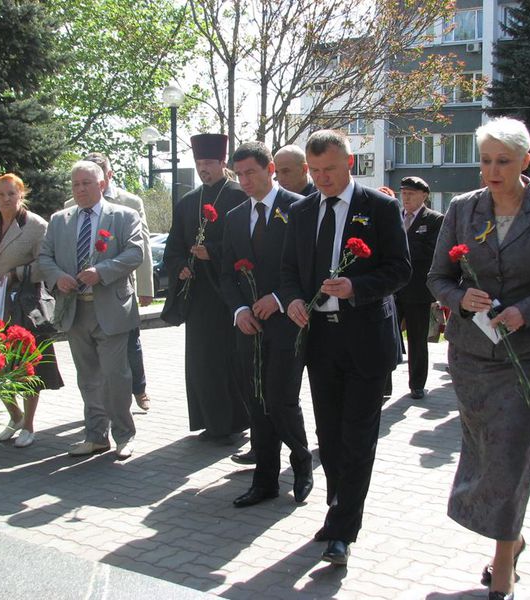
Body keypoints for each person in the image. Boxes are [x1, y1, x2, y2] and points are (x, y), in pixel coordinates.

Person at [427, 117, 530, 600]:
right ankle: (513, 539)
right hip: (473, 354)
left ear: (525, 162)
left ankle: (501, 567)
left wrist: (525, 311)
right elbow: (438, 277)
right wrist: (461, 299)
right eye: (486, 161)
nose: (492, 171)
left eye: (503, 161)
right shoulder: (462, 209)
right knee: (484, 450)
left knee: (513, 452)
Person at [280, 129, 411, 565]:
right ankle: (338, 507)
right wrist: (295, 297)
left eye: (329, 170)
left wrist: (356, 285)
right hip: (321, 339)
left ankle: (343, 529)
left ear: (349, 163)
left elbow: (400, 270)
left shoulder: (381, 207)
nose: (321, 179)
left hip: (366, 338)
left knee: (357, 438)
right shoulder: (301, 212)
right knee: (329, 436)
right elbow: (288, 269)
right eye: (314, 172)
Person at [220, 141, 312, 508]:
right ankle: (265, 481)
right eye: (238, 174)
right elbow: (226, 275)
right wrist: (239, 309)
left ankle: (302, 460)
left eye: (250, 173)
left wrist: (277, 298)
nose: (244, 181)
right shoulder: (234, 217)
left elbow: (310, 267)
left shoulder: (300, 209)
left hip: (288, 323)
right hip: (250, 327)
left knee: (280, 397)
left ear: (270, 168)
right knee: (257, 400)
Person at [38, 161, 144, 459]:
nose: (80, 189)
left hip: (111, 309)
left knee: (115, 375)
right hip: (75, 310)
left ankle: (124, 434)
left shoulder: (124, 216)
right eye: (75, 184)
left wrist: (103, 270)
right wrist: (58, 276)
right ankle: (95, 435)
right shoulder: (60, 220)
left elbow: (135, 252)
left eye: (86, 183)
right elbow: (45, 257)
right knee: (88, 377)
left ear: (101, 184)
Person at [162, 134, 250, 443]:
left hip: (230, 296)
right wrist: (180, 266)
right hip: (199, 296)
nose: (204, 169)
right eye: (199, 164)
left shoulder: (240, 196)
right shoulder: (188, 202)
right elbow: (172, 248)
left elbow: (247, 245)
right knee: (202, 362)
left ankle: (234, 422)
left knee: (230, 360)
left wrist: (212, 250)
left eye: (209, 163)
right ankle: (210, 422)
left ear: (223, 163)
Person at [0, 173, 64, 448]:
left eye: (11, 193)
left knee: (26, 365)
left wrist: (17, 273)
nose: (6, 199)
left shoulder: (36, 225)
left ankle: (29, 425)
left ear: (21, 195)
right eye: (1, 194)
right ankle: (14, 414)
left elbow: (47, 263)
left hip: (25, 304)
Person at [65, 152, 154, 412]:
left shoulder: (129, 202)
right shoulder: (71, 204)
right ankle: (101, 411)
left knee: (130, 344)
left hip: (118, 289)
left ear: (106, 177)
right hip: (82, 294)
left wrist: (146, 288)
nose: (82, 187)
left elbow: (143, 245)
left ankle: (139, 388)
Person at [394, 176, 443, 399]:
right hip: (392, 289)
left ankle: (417, 384)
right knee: (388, 336)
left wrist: (400, 249)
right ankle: (384, 385)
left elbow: (431, 251)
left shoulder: (434, 220)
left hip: (418, 291)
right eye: (403, 193)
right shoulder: (394, 217)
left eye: (411, 194)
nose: (406, 198)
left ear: (424, 196)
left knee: (417, 339)